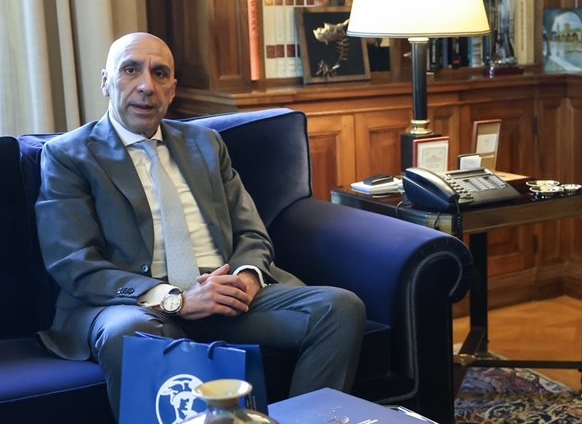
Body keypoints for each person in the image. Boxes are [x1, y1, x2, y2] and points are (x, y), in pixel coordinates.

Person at [35, 32, 366, 418]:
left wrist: (245, 278)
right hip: (135, 305)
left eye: (160, 74)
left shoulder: (205, 144)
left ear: (172, 89)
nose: (146, 86)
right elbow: (73, 261)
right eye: (130, 70)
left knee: (339, 308)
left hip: (224, 295)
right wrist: (175, 299)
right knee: (129, 333)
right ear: (106, 82)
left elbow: (251, 231)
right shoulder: (68, 155)